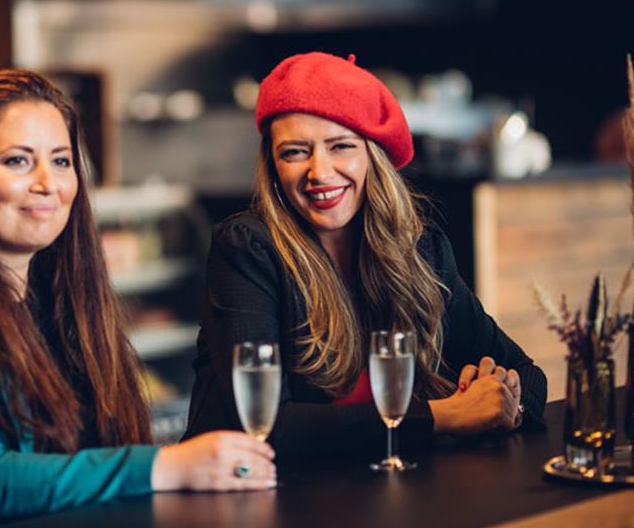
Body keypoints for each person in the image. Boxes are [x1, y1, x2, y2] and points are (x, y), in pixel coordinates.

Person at [0, 70, 275, 528]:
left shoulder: (59, 297)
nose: (48, 183)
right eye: (18, 161)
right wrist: (169, 466)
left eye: (61, 161)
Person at [184, 52, 547, 458]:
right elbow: (266, 430)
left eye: (341, 146)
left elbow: (529, 374)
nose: (319, 172)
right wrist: (449, 415)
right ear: (273, 165)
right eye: (295, 152)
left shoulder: (420, 250)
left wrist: (501, 398)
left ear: (372, 157)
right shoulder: (248, 248)